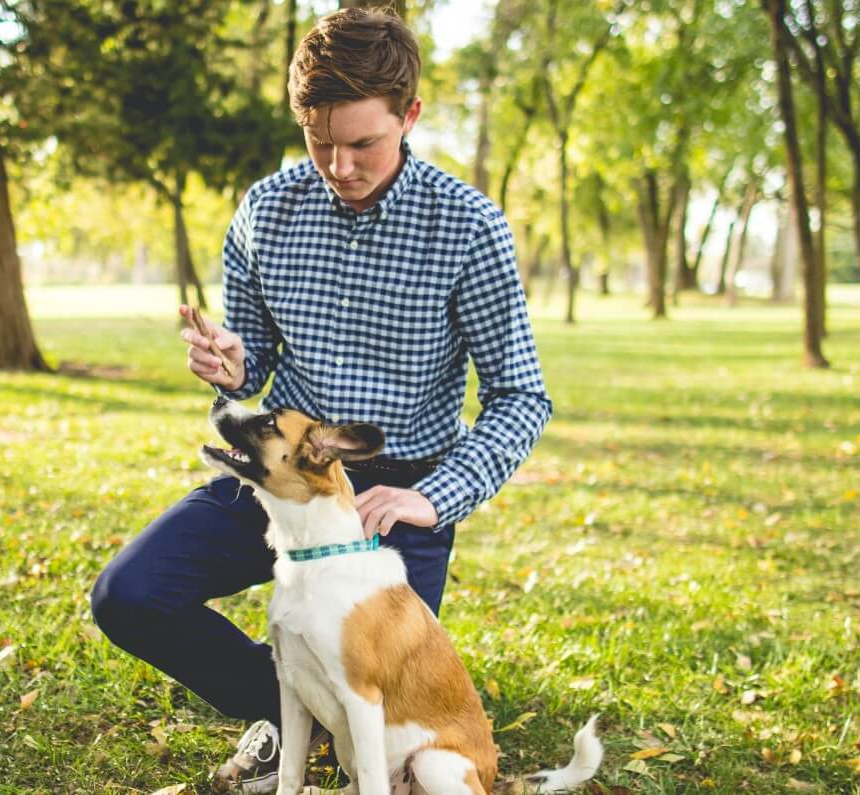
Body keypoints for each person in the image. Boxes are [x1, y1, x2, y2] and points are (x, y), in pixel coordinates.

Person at [90, 7, 551, 793]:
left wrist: (430, 497)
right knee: (128, 594)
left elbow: (519, 396)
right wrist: (232, 367)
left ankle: (320, 710)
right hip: (282, 476)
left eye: (362, 143)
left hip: (393, 499)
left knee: (367, 733)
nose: (338, 165)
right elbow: (254, 367)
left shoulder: (469, 226)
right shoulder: (266, 212)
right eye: (319, 141)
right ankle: (278, 703)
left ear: (409, 115)